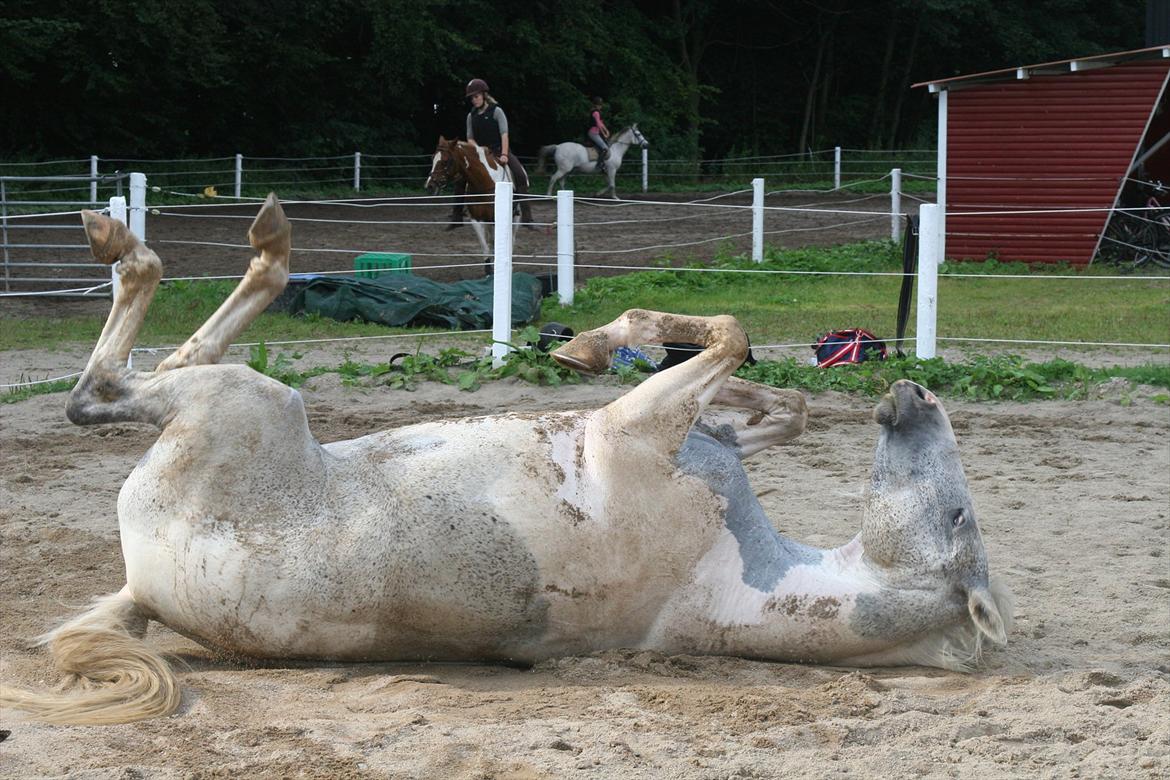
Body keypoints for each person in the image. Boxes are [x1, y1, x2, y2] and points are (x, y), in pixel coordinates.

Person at [447, 78, 535, 230]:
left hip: (499, 150)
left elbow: (504, 135)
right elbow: (470, 138)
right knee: (460, 179)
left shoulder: (496, 111)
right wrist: (478, 149)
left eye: (476, 96)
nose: (474, 100)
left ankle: (527, 217)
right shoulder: (471, 116)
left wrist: (505, 155)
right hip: (480, 153)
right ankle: (457, 216)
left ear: (483, 95)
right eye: (472, 98)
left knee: (520, 175)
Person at [586, 96, 611, 166]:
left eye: (601, 104)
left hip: (596, 133)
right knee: (605, 148)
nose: (601, 106)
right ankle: (599, 164)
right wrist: (604, 133)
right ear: (596, 105)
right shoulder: (596, 112)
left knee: (606, 144)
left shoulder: (598, 112)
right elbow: (598, 124)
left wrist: (607, 130)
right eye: (599, 104)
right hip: (593, 133)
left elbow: (601, 123)